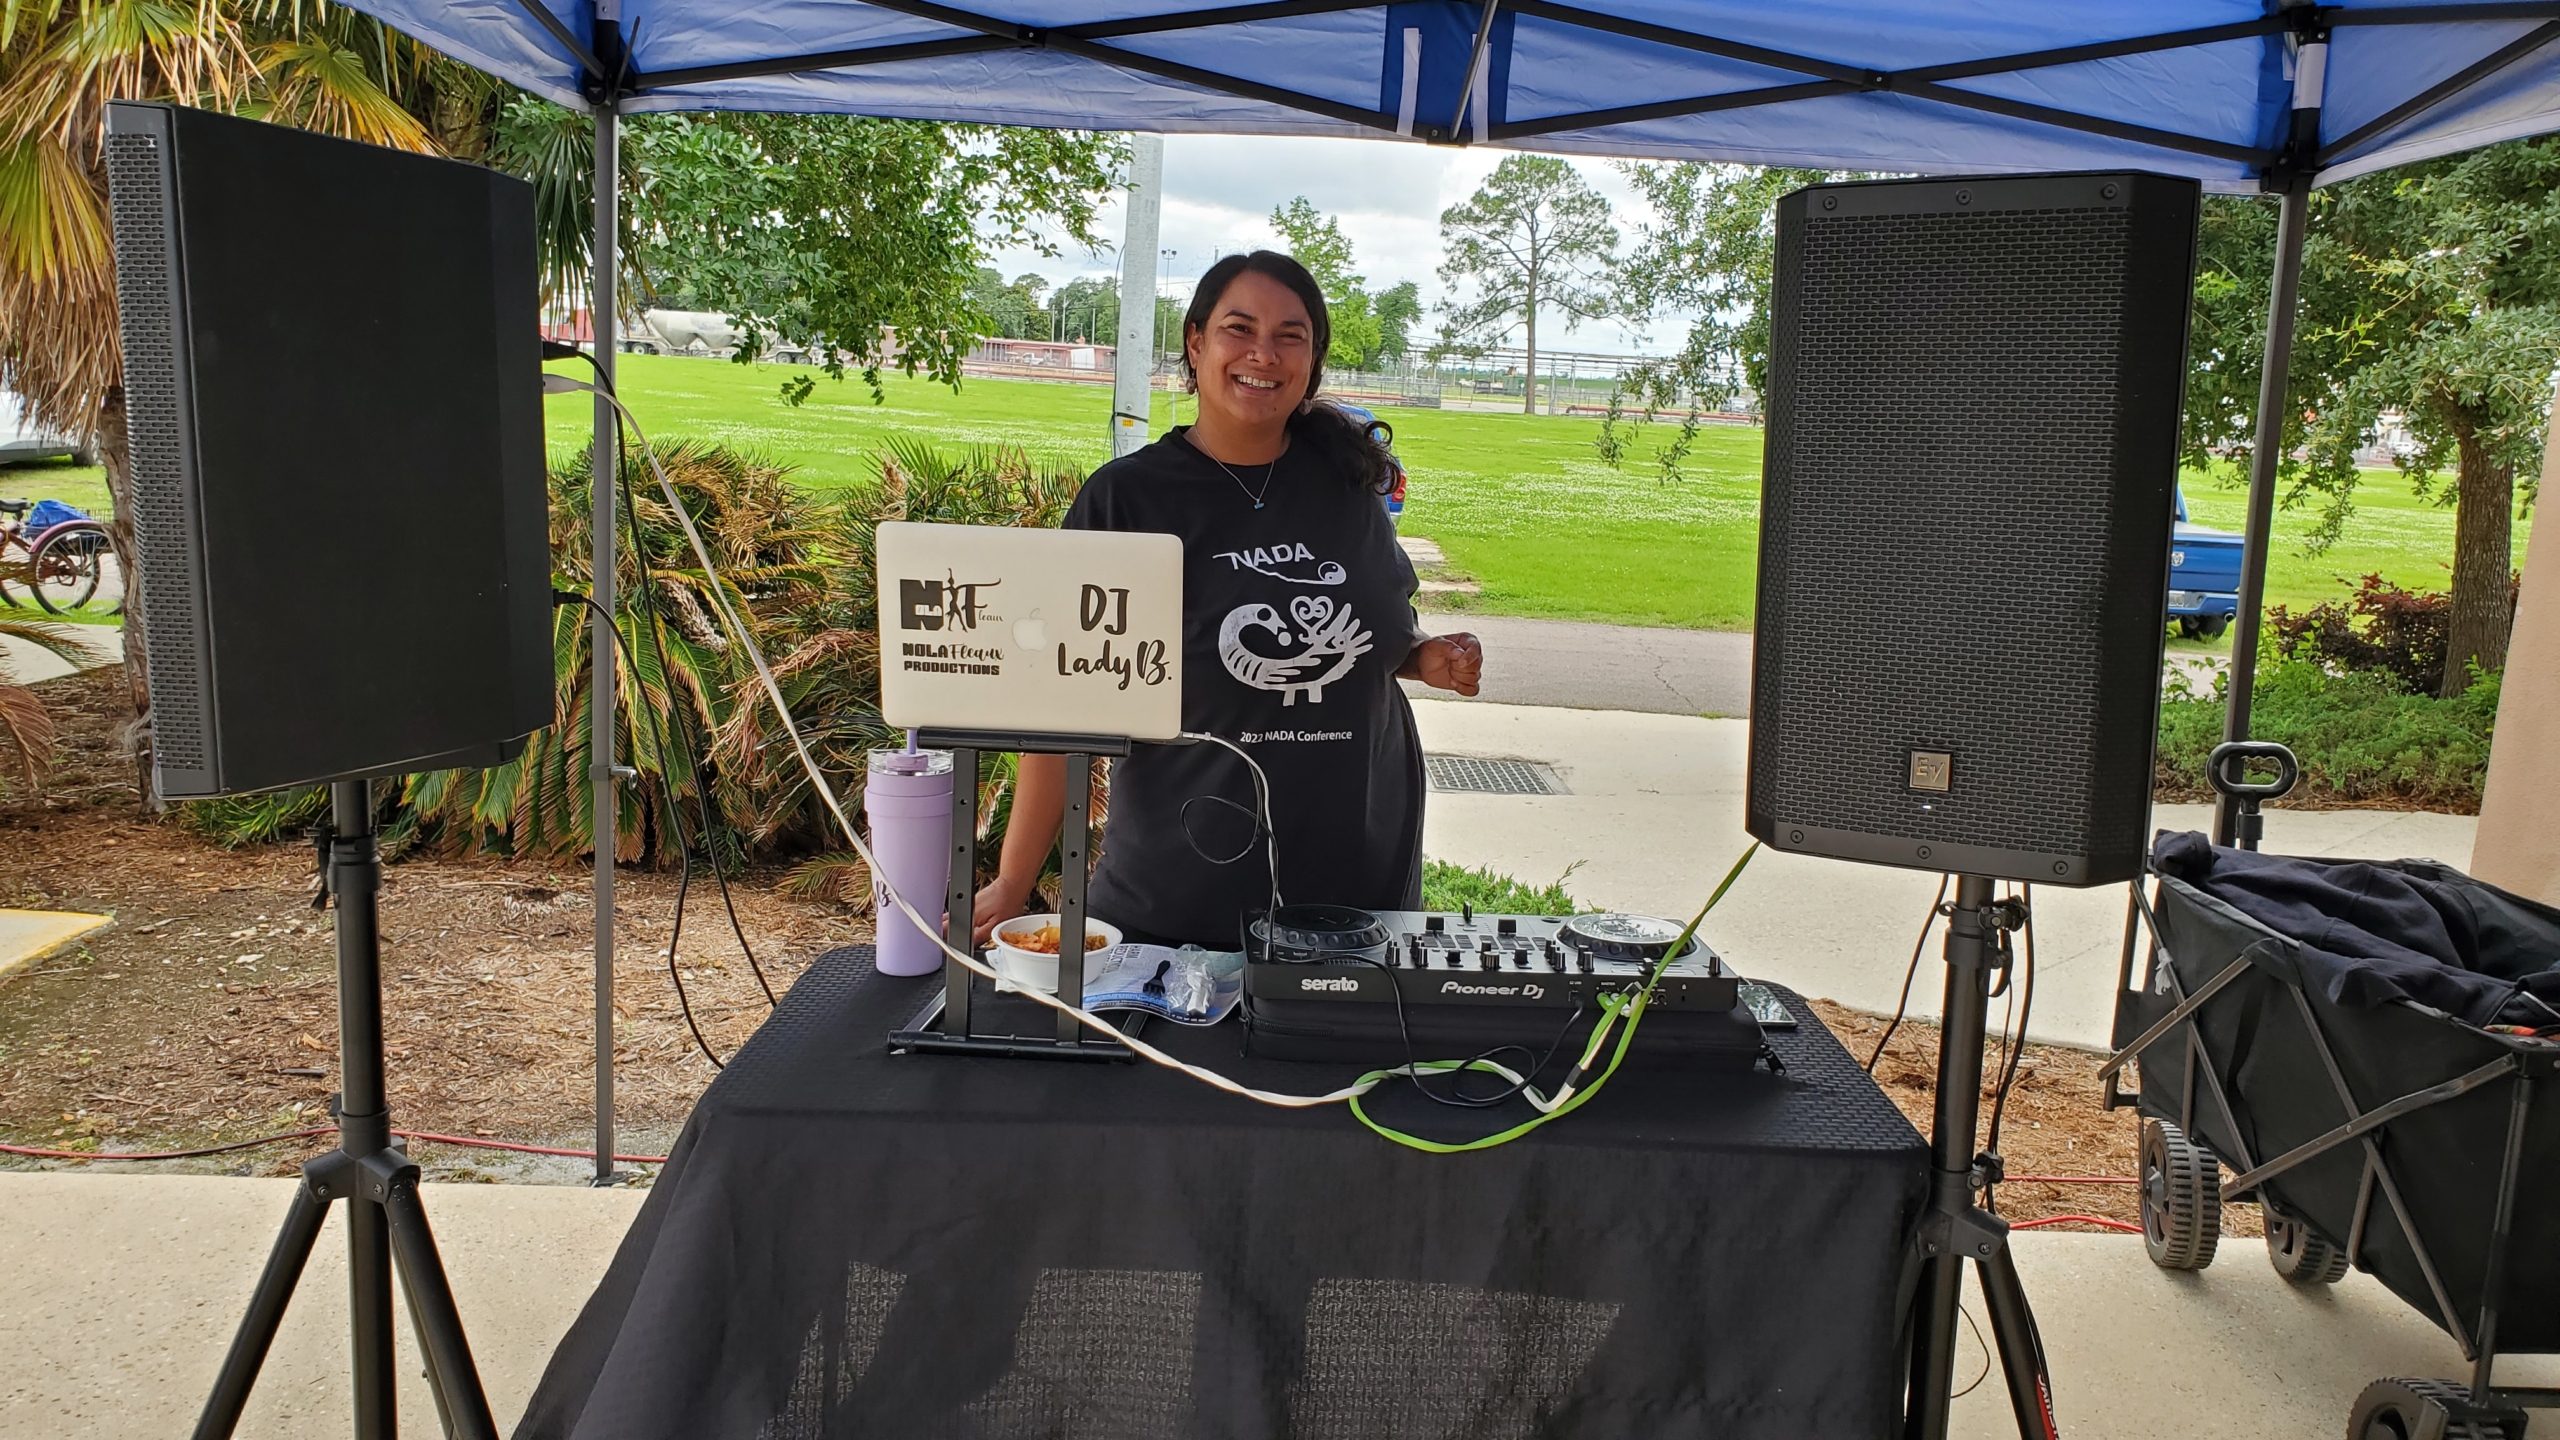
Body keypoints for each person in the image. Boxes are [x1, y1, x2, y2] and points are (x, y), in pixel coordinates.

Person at [972, 251, 1483, 948]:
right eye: (1239, 329)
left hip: (1358, 887)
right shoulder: (1127, 501)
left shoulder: (1349, 485)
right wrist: (1013, 880)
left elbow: (1378, 634)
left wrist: (1427, 656)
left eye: (1290, 336)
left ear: (1313, 359)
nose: (1263, 354)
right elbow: (1065, 710)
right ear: (1195, 342)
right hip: (1180, 896)